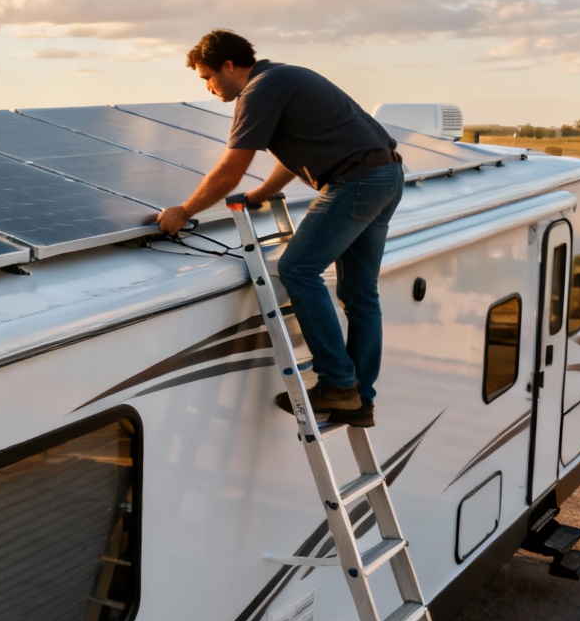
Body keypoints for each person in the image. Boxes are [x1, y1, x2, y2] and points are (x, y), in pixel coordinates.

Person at [151, 30, 404, 427]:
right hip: (386, 175)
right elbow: (296, 151)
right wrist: (263, 193)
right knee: (359, 294)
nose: (208, 86)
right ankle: (360, 398)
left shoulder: (259, 91)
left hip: (355, 182)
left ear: (229, 65)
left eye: (207, 77)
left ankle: (339, 384)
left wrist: (185, 210)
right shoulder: (285, 77)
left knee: (297, 270)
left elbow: (232, 168)